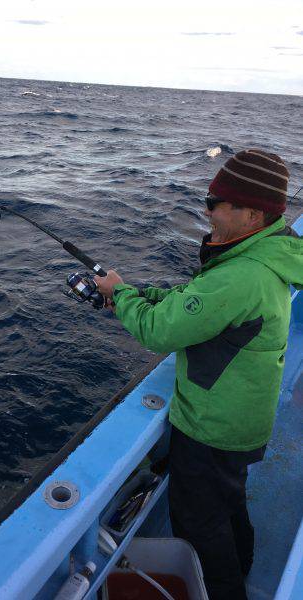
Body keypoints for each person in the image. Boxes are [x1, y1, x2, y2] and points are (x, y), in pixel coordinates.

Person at [94, 149, 303, 600]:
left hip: (212, 427)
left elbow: (159, 329)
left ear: (250, 213)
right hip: (242, 421)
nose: (206, 209)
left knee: (199, 524)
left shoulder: (240, 276)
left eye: (214, 202)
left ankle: (227, 591)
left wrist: (120, 296)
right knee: (229, 503)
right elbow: (196, 302)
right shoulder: (264, 257)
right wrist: (138, 291)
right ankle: (242, 565)